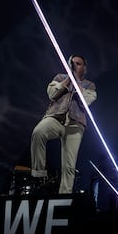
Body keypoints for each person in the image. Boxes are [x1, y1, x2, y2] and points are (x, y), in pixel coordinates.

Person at [30, 54, 97, 194]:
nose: (75, 66)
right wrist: (68, 80)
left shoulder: (90, 85)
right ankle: (39, 174)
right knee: (38, 132)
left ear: (84, 68)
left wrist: (77, 82)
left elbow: (86, 101)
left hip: (75, 124)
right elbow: (52, 94)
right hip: (55, 117)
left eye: (78, 64)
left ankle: (64, 196)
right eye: (72, 63)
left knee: (69, 164)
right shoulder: (60, 78)